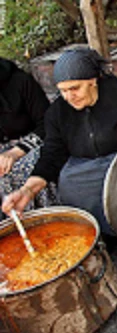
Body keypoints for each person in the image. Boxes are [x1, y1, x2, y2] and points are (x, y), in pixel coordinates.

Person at [1, 48, 117, 275]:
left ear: (93, 81)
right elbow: (51, 155)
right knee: (69, 183)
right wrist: (27, 191)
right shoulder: (58, 113)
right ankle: (108, 234)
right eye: (62, 91)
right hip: (85, 166)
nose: (70, 96)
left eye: (75, 88)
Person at [0, 58, 57, 216]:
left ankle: (43, 222)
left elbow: (47, 124)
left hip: (31, 144)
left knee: (24, 170)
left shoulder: (20, 82)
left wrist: (15, 152)